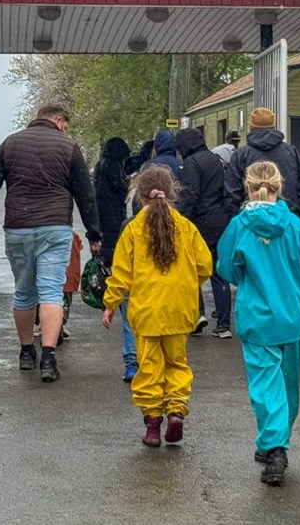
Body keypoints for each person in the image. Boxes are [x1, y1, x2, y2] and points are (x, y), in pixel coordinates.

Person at [0, 103, 101, 384]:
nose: (65, 129)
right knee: (52, 292)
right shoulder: (68, 147)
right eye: (65, 123)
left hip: (18, 228)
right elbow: (85, 195)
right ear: (56, 119)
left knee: (24, 292)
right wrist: (94, 234)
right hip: (55, 228)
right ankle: (49, 357)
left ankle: (27, 351)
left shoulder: (10, 143)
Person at [217, 161, 300, 486]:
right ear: (280, 187)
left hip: (258, 317)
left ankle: (274, 445)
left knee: (265, 386)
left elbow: (227, 268)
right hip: (291, 315)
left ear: (248, 187)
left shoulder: (240, 226)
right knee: (288, 384)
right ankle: (275, 439)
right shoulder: (293, 225)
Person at [101, 166, 212, 447]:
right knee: (177, 363)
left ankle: (152, 425)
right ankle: (176, 412)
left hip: (147, 311)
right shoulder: (185, 227)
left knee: (149, 368)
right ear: (172, 192)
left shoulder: (134, 230)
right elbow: (205, 265)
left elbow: (122, 272)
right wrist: (187, 283)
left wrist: (111, 303)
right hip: (179, 309)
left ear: (139, 196)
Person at [175, 127, 234, 339]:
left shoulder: (192, 163)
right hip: (220, 221)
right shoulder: (217, 160)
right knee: (219, 274)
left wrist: (178, 219)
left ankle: (196, 316)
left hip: (200, 223)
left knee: (194, 271)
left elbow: (190, 195)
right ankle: (224, 323)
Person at [93, 137, 137, 380]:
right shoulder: (113, 167)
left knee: (111, 263)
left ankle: (132, 361)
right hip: (113, 219)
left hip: (103, 219)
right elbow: (120, 187)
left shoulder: (100, 166)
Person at [226, 107, 300, 220]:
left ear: (251, 127)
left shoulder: (240, 155)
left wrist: (239, 221)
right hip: (287, 221)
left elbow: (232, 194)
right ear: (274, 127)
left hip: (250, 223)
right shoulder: (291, 153)